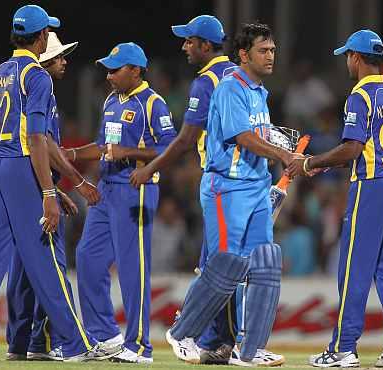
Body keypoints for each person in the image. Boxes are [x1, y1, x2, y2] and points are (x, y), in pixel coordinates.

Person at [0, 5, 112, 362]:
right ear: (41, 37)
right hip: (22, 167)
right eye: (47, 33)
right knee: (46, 258)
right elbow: (38, 140)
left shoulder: (2, 70)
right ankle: (74, 345)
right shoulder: (36, 75)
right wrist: (49, 192)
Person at [166, 23, 298, 367]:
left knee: (267, 262)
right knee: (227, 264)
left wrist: (284, 157)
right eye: (263, 51)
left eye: (272, 50)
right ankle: (181, 333)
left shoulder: (259, 91)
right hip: (228, 187)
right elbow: (243, 137)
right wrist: (283, 154)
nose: (271, 56)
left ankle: (249, 349)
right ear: (244, 54)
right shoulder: (230, 88)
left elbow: (259, 135)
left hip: (255, 186)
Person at [287, 29, 383, 368]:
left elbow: (353, 148)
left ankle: (343, 348)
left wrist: (311, 162)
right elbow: (366, 150)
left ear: (356, 57)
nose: (347, 61)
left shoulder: (360, 97)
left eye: (347, 55)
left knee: (353, 269)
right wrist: (326, 166)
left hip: (373, 187)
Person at [129, 15, 238, 364]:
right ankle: (220, 339)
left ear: (206, 45)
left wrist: (151, 167)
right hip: (246, 179)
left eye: (190, 41)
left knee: (215, 266)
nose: (184, 46)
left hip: (220, 179)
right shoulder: (241, 75)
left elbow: (185, 139)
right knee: (228, 263)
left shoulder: (206, 82)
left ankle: (189, 332)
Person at [66, 42, 176, 363]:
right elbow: (103, 146)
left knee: (132, 266)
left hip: (135, 187)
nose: (109, 75)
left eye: (115, 69)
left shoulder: (152, 103)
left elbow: (170, 149)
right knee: (87, 257)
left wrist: (128, 153)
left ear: (135, 70)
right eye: (108, 69)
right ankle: (107, 337)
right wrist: (71, 154)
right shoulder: (111, 100)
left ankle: (140, 345)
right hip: (106, 188)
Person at [5, 31, 101, 361]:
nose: (64, 61)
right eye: (59, 56)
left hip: (24, 185)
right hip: (37, 190)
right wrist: (68, 185)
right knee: (52, 264)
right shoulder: (41, 84)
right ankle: (72, 341)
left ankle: (24, 343)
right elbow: (42, 144)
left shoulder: (19, 82)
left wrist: (59, 189)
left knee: (22, 270)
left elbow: (42, 149)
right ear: (43, 55)